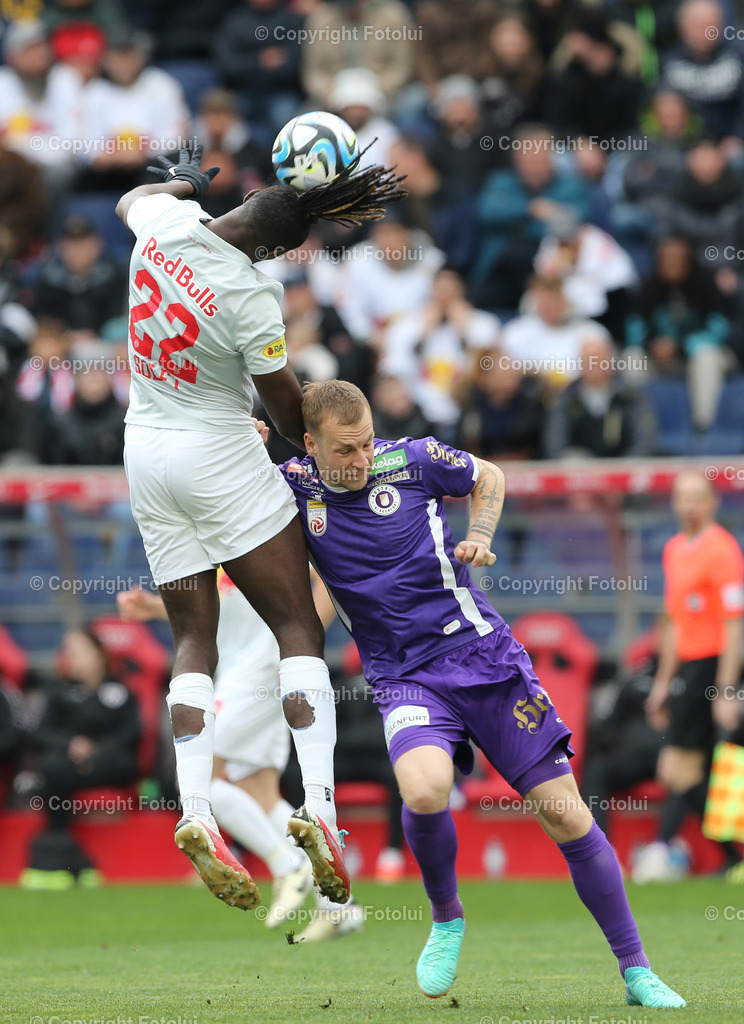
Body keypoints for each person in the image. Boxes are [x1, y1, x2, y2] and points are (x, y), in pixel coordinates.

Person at [273, 378, 686, 1007]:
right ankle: (446, 918)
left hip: (483, 657)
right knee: (424, 787)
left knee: (566, 813)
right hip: (403, 675)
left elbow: (488, 475)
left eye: (364, 446)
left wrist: (483, 534)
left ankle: (636, 970)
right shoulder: (292, 485)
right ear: (310, 444)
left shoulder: (410, 460)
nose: (359, 462)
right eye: (344, 451)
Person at [115, 144, 405, 910]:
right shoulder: (250, 294)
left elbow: (129, 199)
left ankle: (198, 811)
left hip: (145, 453)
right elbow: (285, 412)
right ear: (274, 246)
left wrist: (185, 179)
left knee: (190, 637)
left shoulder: (163, 223)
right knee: (298, 629)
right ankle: (321, 809)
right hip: (216, 453)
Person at [117, 577, 365, 942]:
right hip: (243, 669)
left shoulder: (269, 522)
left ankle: (286, 863)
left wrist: (303, 640)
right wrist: (154, 607)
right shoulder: (225, 540)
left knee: (200, 777)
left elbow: (329, 572)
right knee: (259, 790)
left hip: (260, 670)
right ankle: (338, 908)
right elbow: (226, 602)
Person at [643, 471, 744, 877]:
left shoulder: (722, 550)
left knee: (682, 768)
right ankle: (732, 857)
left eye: (696, 497)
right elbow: (673, 623)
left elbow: (734, 623)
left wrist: (724, 690)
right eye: (681, 497)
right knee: (681, 771)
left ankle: (660, 851)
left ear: (712, 502)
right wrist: (663, 684)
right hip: (688, 668)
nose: (688, 505)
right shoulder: (674, 549)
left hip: (713, 665)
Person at [21, 627, 140, 890]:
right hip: (67, 766)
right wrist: (71, 745)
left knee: (59, 772)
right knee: (52, 768)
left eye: (76, 651)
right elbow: (40, 733)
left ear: (98, 654)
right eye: (67, 651)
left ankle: (59, 851)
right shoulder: (58, 693)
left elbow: (130, 735)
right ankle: (63, 847)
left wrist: (95, 752)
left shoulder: (120, 693)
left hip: (112, 765)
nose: (69, 657)